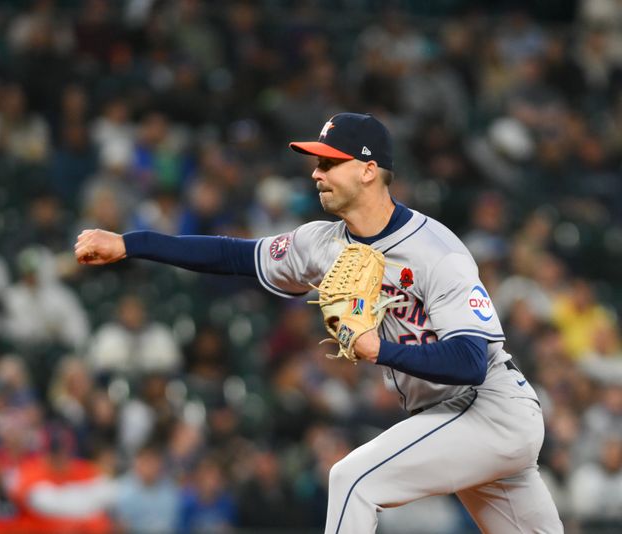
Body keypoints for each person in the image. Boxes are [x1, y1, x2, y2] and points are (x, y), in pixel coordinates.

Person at [73, 112, 563, 533]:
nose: (316, 173)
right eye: (316, 161)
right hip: (449, 418)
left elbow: (470, 361)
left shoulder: (437, 251)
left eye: (330, 162)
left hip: (489, 409)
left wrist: (378, 349)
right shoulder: (322, 244)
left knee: (352, 480)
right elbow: (231, 254)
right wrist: (129, 244)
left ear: (369, 171)